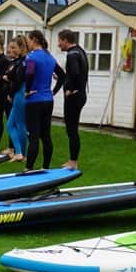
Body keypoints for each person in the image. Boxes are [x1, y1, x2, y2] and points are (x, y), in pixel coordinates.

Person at [23, 29, 65, 169]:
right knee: (46, 136)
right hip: (48, 100)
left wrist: (27, 91)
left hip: (34, 100)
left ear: (34, 39)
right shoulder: (50, 57)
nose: (27, 43)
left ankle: (28, 168)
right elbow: (62, 76)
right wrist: (53, 91)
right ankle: (46, 167)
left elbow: (28, 75)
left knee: (33, 136)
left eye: (28, 40)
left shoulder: (31, 57)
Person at [56, 29, 89, 170]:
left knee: (72, 130)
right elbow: (77, 72)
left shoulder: (72, 54)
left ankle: (73, 162)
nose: (58, 44)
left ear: (65, 40)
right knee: (72, 129)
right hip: (81, 94)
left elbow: (75, 73)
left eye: (59, 41)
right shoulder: (80, 51)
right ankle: (72, 159)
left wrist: (70, 88)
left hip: (75, 96)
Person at [4, 36, 29, 162]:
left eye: (15, 48)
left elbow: (18, 80)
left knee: (20, 124)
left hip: (20, 94)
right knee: (10, 124)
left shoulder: (25, 61)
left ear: (22, 48)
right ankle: (19, 152)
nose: (12, 50)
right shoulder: (20, 61)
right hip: (19, 93)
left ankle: (21, 154)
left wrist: (11, 94)